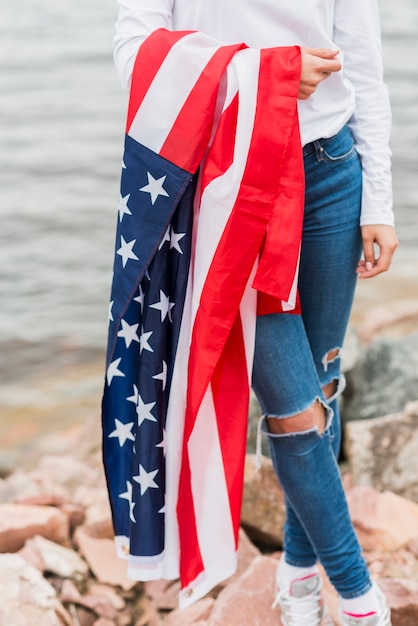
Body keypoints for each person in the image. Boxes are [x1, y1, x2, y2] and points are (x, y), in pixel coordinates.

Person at [108, 1, 398, 625]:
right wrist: (260, 74)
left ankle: (296, 572)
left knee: (320, 381)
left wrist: (380, 203)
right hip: (227, 187)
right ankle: (358, 598)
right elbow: (134, 52)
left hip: (329, 174)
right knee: (293, 410)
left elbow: (365, 72)